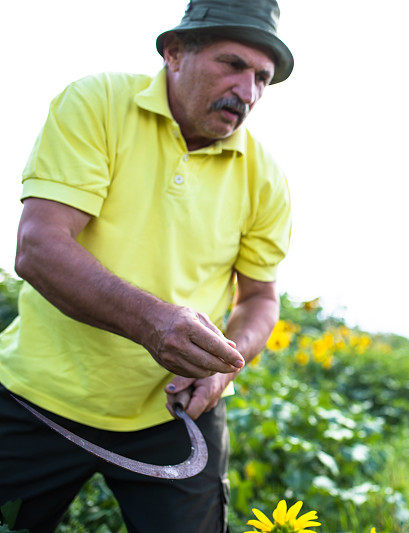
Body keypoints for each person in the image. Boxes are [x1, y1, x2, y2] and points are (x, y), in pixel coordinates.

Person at [0, 0, 293, 531]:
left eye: (263, 78)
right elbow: (39, 247)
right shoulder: (97, 103)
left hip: (174, 413)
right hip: (40, 396)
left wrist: (227, 366)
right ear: (174, 52)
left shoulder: (265, 175)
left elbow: (259, 298)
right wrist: (154, 323)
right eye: (232, 64)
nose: (247, 92)